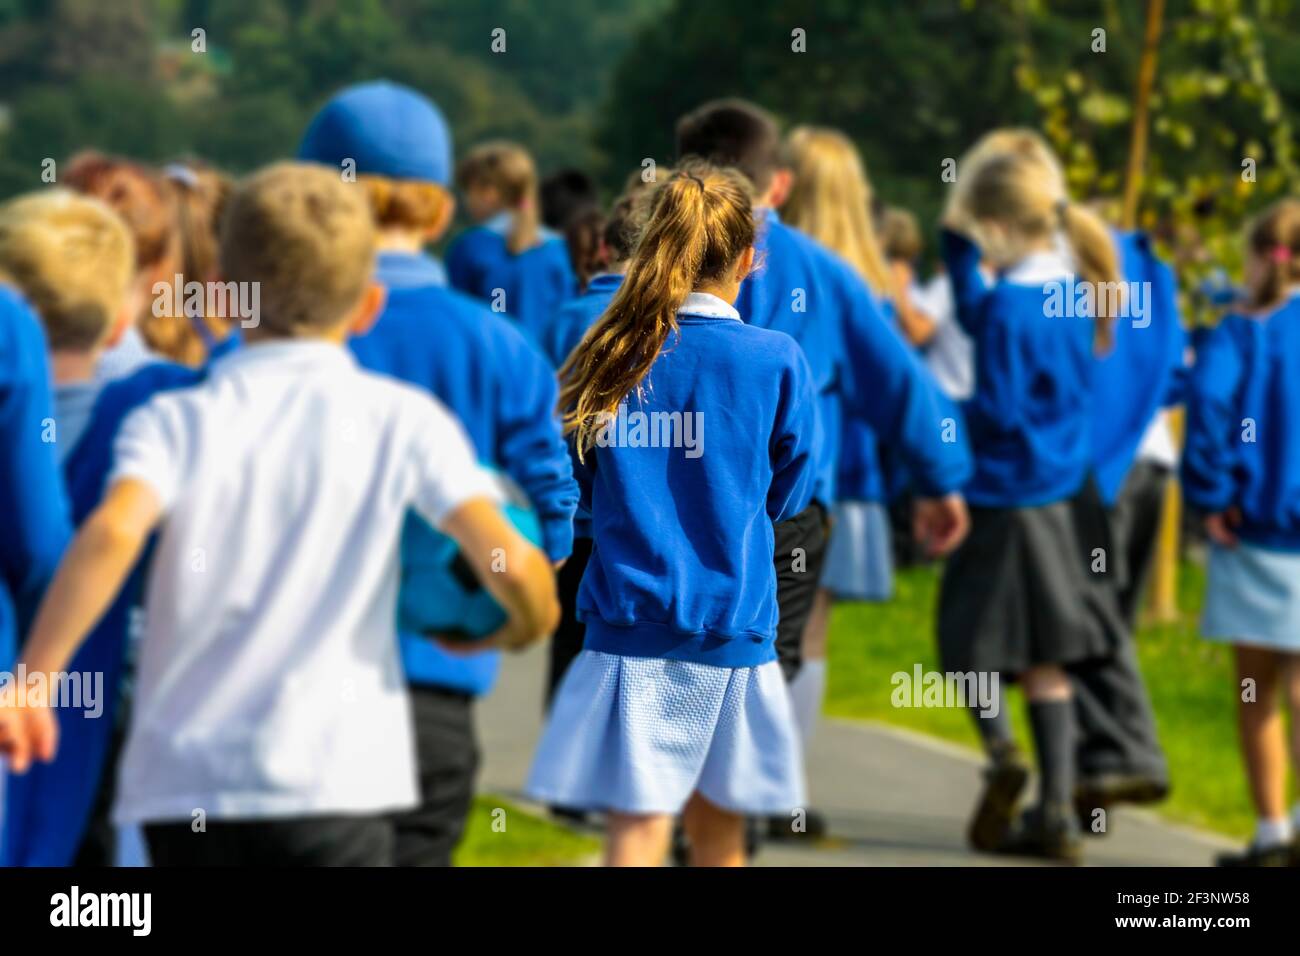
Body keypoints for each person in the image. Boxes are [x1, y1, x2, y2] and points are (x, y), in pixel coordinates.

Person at [0, 162, 560, 867]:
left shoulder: (173, 419)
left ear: (229, 299)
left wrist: (35, 678)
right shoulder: (404, 423)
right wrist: (524, 620)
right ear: (367, 308)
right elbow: (503, 553)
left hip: (184, 787)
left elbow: (113, 531)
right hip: (333, 778)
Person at [298, 80, 577, 866]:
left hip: (294, 687)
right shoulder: (498, 343)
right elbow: (550, 514)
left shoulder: (280, 336)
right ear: (444, 213)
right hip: (438, 680)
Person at [676, 100, 971, 840]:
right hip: (791, 503)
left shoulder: (648, 264)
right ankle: (763, 800)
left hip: (679, 497)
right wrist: (943, 476)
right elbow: (896, 381)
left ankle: (688, 806)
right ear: (777, 184)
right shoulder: (820, 273)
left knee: (682, 644)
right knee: (789, 648)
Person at [526, 163, 817, 866]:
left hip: (627, 623)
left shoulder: (612, 349)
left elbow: (575, 478)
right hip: (734, 626)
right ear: (753, 257)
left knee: (639, 822)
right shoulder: (777, 358)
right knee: (720, 832)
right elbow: (793, 489)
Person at [938, 148, 1125, 863]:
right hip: (1059, 493)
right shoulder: (1071, 293)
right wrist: (958, 254)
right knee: (1049, 657)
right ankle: (1055, 811)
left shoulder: (1013, 307)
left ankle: (1003, 751)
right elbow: (980, 313)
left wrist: (942, 416)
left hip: (1002, 492)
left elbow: (998, 408)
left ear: (995, 224)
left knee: (965, 644)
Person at [1183, 197, 1300, 867]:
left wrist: (1212, 492)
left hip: (1255, 528)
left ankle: (1271, 832)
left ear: (1261, 258)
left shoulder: (1239, 333)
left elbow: (1209, 404)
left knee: (1257, 692)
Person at [779, 126, 898, 780]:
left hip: (786, 480)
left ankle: (744, 781)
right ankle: (786, 781)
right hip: (847, 481)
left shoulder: (772, 278)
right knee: (811, 636)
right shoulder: (868, 288)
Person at [539, 183, 650, 712]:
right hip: (631, 510)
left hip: (572, 509)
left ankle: (561, 776)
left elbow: (541, 411)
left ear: (604, 249)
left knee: (567, 642)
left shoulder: (564, 318)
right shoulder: (656, 323)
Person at [447, 141, 576, 341]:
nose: (466, 200)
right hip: (545, 368)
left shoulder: (469, 247)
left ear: (489, 193)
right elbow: (564, 322)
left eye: (468, 191)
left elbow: (455, 321)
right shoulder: (556, 249)